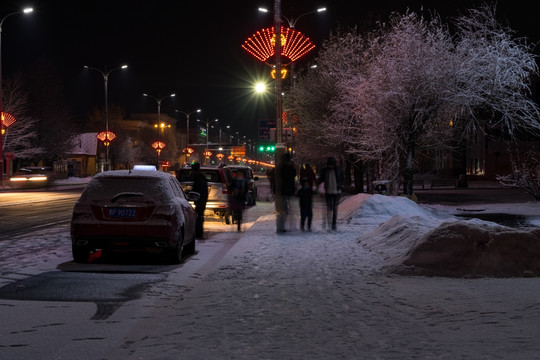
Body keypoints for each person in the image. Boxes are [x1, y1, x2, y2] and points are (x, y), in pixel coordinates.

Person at [318, 156, 344, 230]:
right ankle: (330, 223)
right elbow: (321, 180)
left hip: (336, 191)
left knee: (334, 208)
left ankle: (333, 224)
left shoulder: (338, 170)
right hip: (329, 191)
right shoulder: (326, 170)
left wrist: (340, 184)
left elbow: (342, 177)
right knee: (330, 208)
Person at [275, 152, 296, 233]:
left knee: (283, 211)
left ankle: (281, 227)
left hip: (284, 191)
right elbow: (293, 176)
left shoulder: (280, 167)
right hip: (287, 191)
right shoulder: (288, 168)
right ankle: (282, 227)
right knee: (284, 211)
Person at [191, 162, 208, 239]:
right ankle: (199, 233)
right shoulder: (201, 177)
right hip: (201, 200)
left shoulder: (198, 177)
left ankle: (199, 233)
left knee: (199, 217)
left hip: (200, 200)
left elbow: (198, 189)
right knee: (199, 216)